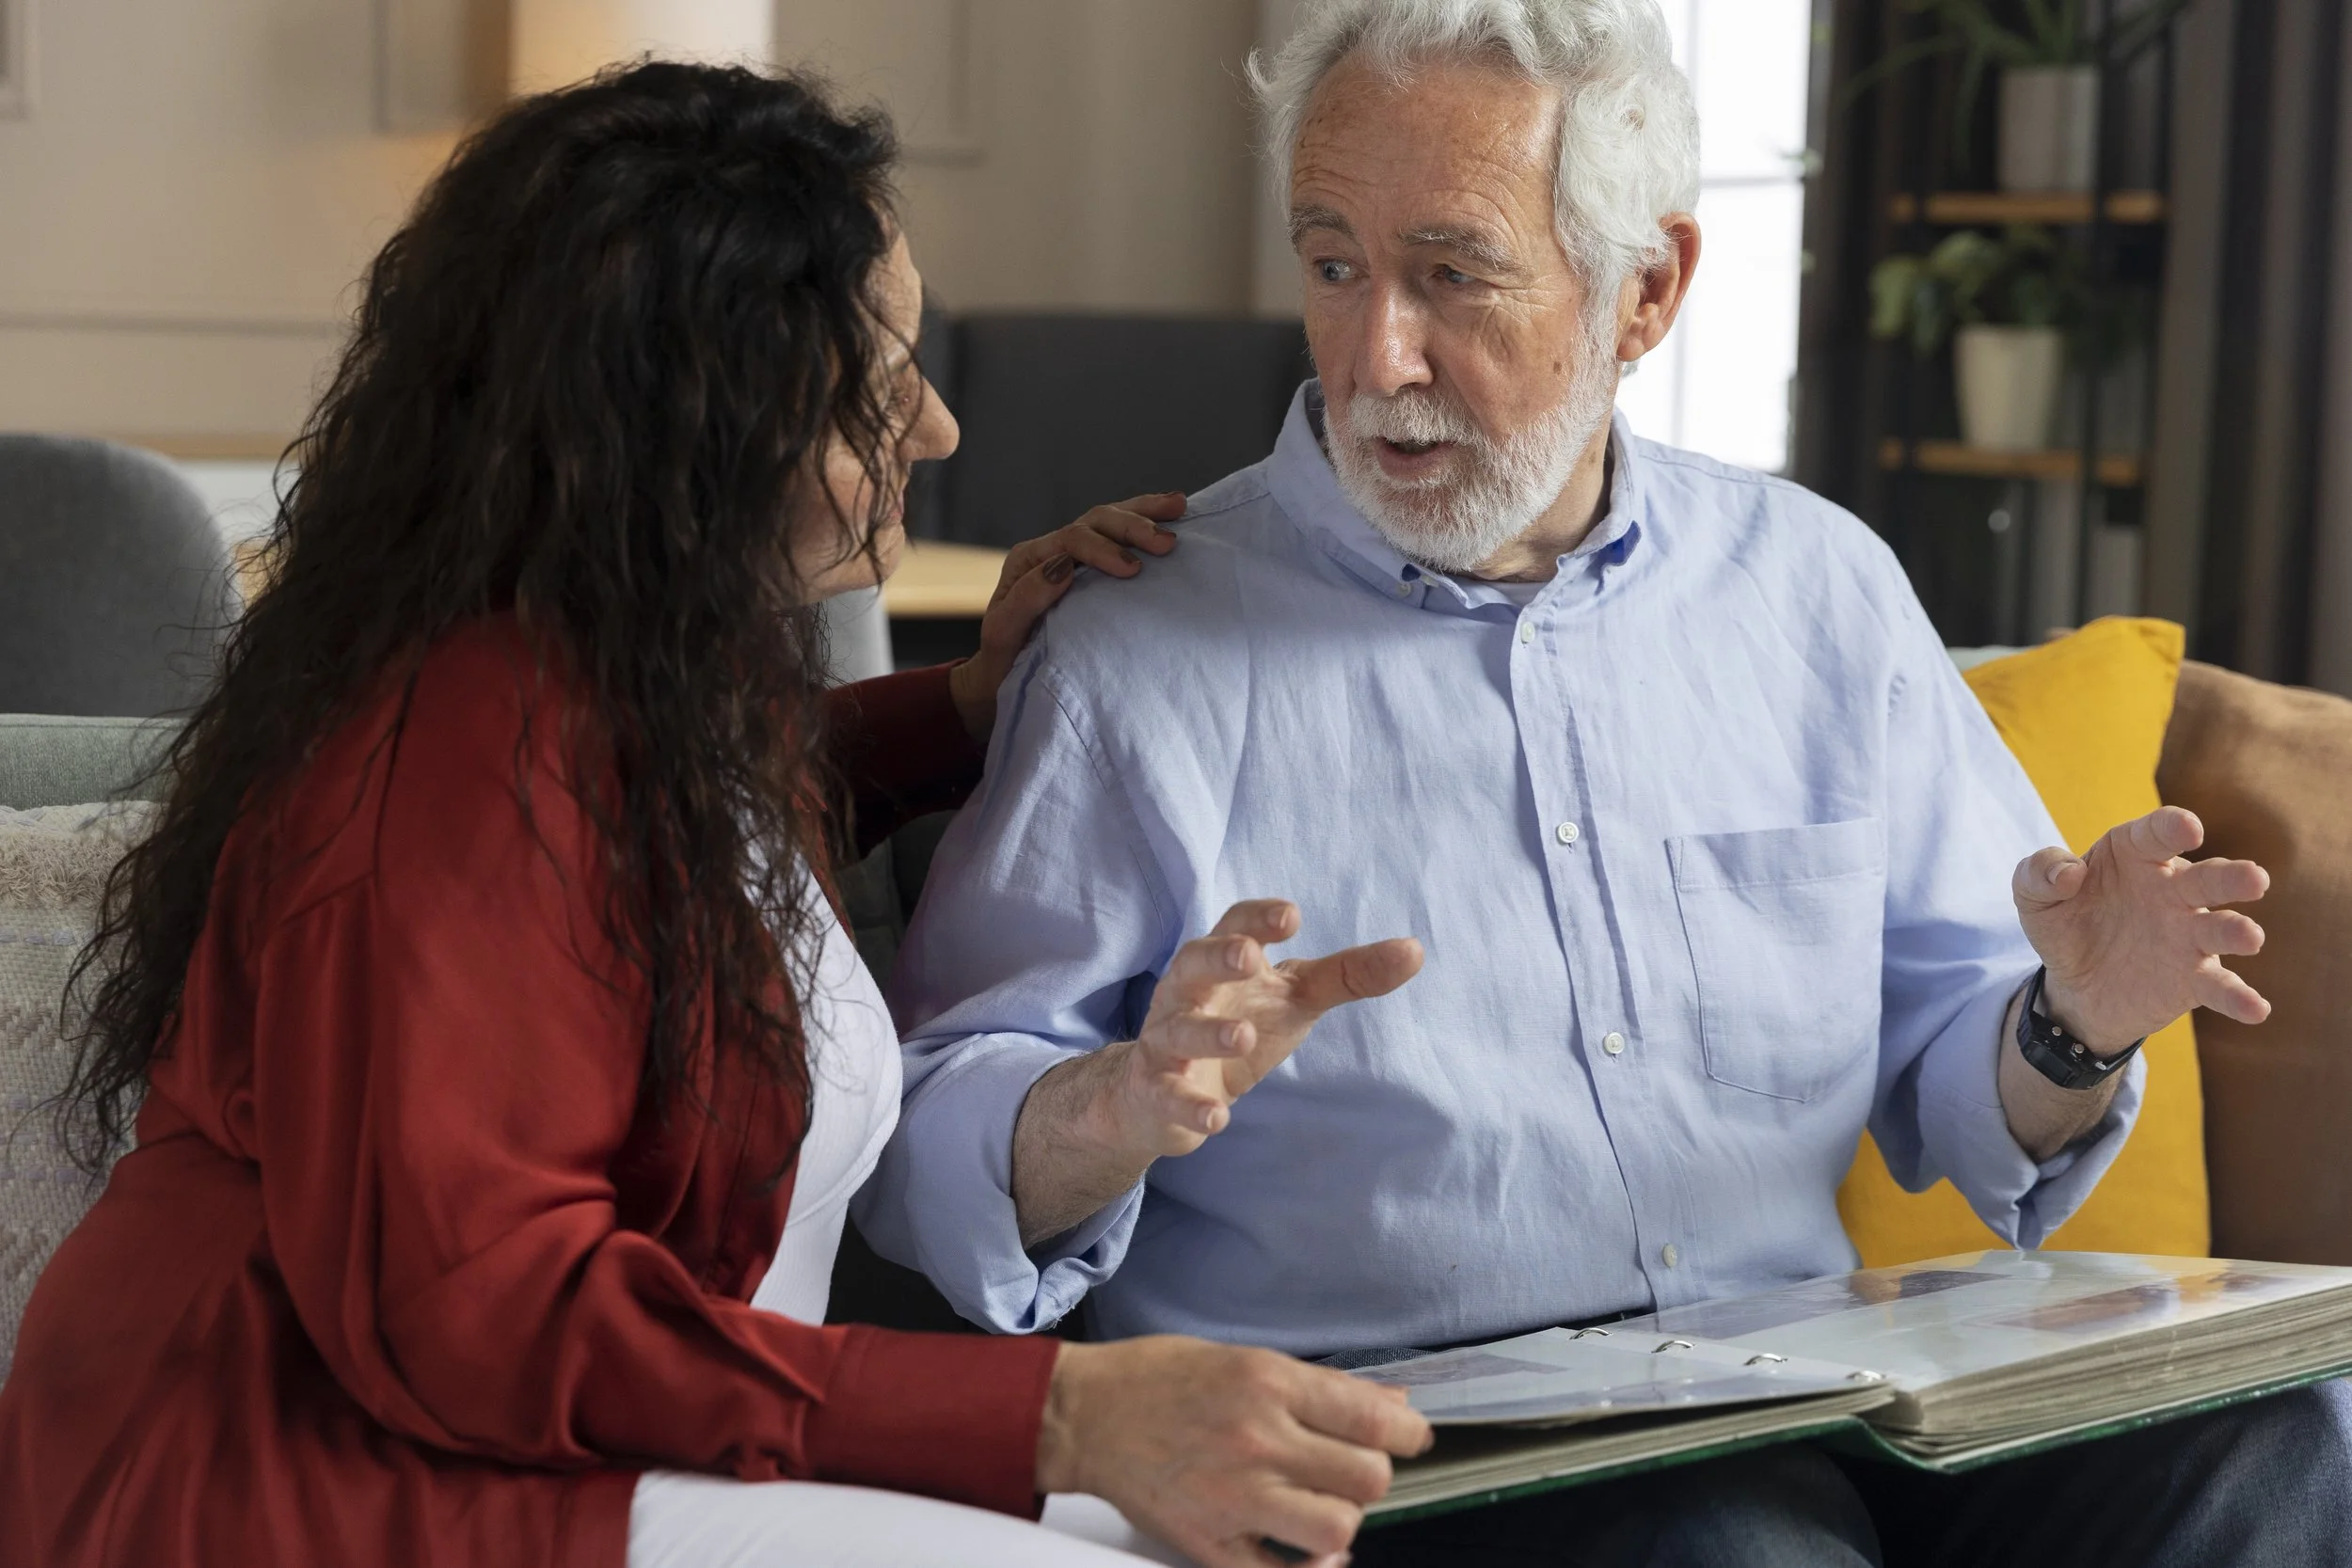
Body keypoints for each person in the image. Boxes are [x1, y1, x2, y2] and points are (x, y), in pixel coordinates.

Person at [861, 1, 2352, 1562]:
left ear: (1648, 291)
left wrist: (2079, 1016)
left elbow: (1958, 1072)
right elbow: (924, 1138)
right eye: (1333, 264)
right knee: (1730, 1548)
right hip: (1418, 1451)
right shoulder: (1140, 641)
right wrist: (1114, 1102)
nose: (1379, 353)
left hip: (1818, 1388)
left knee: (2282, 1444)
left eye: (1452, 272)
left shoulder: (1815, 588)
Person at [0, 63, 1435, 1568]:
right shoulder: (458, 756)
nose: (939, 429)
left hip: (551, 1458)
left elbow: (675, 852)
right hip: (298, 1497)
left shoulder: (610, 683)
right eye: (881, 387)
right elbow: (486, 1314)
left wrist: (967, 705)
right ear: (698, 425)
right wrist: (1056, 1415)